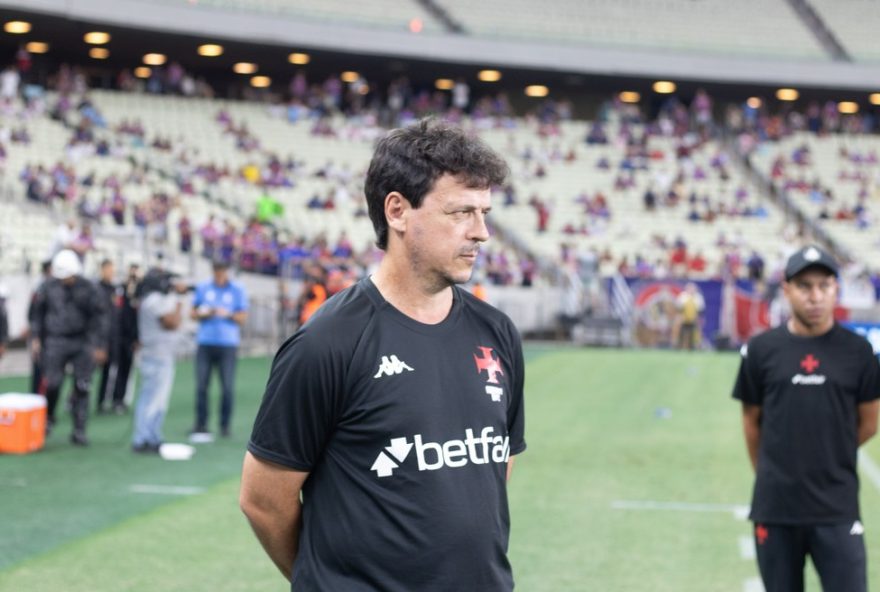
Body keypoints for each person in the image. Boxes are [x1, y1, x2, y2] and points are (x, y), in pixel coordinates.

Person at [240, 119, 526, 591]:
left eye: (485, 212)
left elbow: (493, 471)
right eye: (461, 212)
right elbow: (264, 500)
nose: (482, 233)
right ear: (397, 211)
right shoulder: (328, 342)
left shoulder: (496, 333)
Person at [733, 244, 880, 592]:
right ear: (786, 290)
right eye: (804, 286)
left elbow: (870, 421)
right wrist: (776, 467)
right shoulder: (761, 350)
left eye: (824, 286)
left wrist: (828, 447)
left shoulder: (858, 352)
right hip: (776, 508)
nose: (815, 296)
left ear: (835, 289)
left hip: (837, 508)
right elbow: (752, 423)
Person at [31, 249, 108, 445]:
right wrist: (35, 338)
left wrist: (100, 344)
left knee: (82, 386)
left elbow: (100, 317)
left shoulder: (89, 289)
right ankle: (48, 419)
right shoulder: (47, 287)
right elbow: (37, 314)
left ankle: (79, 430)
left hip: (82, 341)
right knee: (53, 383)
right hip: (55, 340)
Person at [190, 260, 248, 438]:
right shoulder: (203, 287)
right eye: (216, 271)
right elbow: (192, 313)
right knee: (201, 385)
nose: (219, 274)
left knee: (227, 387)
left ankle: (225, 425)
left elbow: (242, 317)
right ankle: (201, 423)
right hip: (205, 342)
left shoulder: (237, 289)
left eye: (222, 270)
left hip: (227, 344)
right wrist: (204, 313)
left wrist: (228, 314)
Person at [131, 269, 185, 454]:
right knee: (151, 399)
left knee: (159, 400)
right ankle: (142, 437)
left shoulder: (153, 299)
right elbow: (172, 322)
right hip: (156, 356)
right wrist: (178, 300)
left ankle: (152, 436)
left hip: (161, 355)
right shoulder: (153, 300)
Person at [95, 259, 124, 414]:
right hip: (99, 338)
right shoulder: (96, 289)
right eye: (108, 269)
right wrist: (99, 342)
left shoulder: (115, 289)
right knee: (88, 371)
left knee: (111, 370)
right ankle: (73, 400)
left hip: (114, 336)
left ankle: (104, 400)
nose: (111, 272)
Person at [676, 282, 705, 350]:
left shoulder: (698, 297)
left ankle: (697, 344)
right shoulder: (683, 296)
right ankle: (678, 344)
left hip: (694, 318)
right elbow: (679, 310)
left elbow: (700, 311)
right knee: (677, 323)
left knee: (699, 326)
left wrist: (697, 319)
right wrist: (682, 317)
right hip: (684, 318)